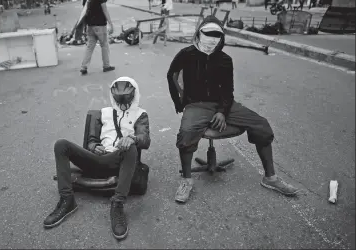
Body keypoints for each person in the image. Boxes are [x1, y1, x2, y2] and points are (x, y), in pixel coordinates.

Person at [166, 15, 300, 204]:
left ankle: (270, 178)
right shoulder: (185, 54)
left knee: (261, 125)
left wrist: (222, 111)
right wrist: (178, 102)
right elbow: (171, 75)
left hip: (223, 104)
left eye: (217, 34)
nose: (212, 38)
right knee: (186, 134)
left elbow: (228, 91)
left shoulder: (224, 59)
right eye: (208, 33)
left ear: (222, 38)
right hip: (196, 105)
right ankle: (187, 180)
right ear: (199, 33)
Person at [43, 77, 150, 240]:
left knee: (131, 147)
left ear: (134, 96)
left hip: (119, 161)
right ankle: (67, 200)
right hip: (97, 159)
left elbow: (145, 139)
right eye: (119, 102)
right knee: (61, 144)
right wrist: (94, 146)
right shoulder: (102, 113)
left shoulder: (141, 114)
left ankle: (118, 203)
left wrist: (133, 138)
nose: (122, 106)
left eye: (126, 102)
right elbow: (91, 141)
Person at [80, 0, 115, 75]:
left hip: (90, 26)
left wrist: (84, 26)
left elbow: (84, 12)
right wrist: (110, 24)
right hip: (100, 25)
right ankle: (106, 66)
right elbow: (105, 10)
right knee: (104, 45)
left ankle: (84, 67)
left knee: (90, 47)